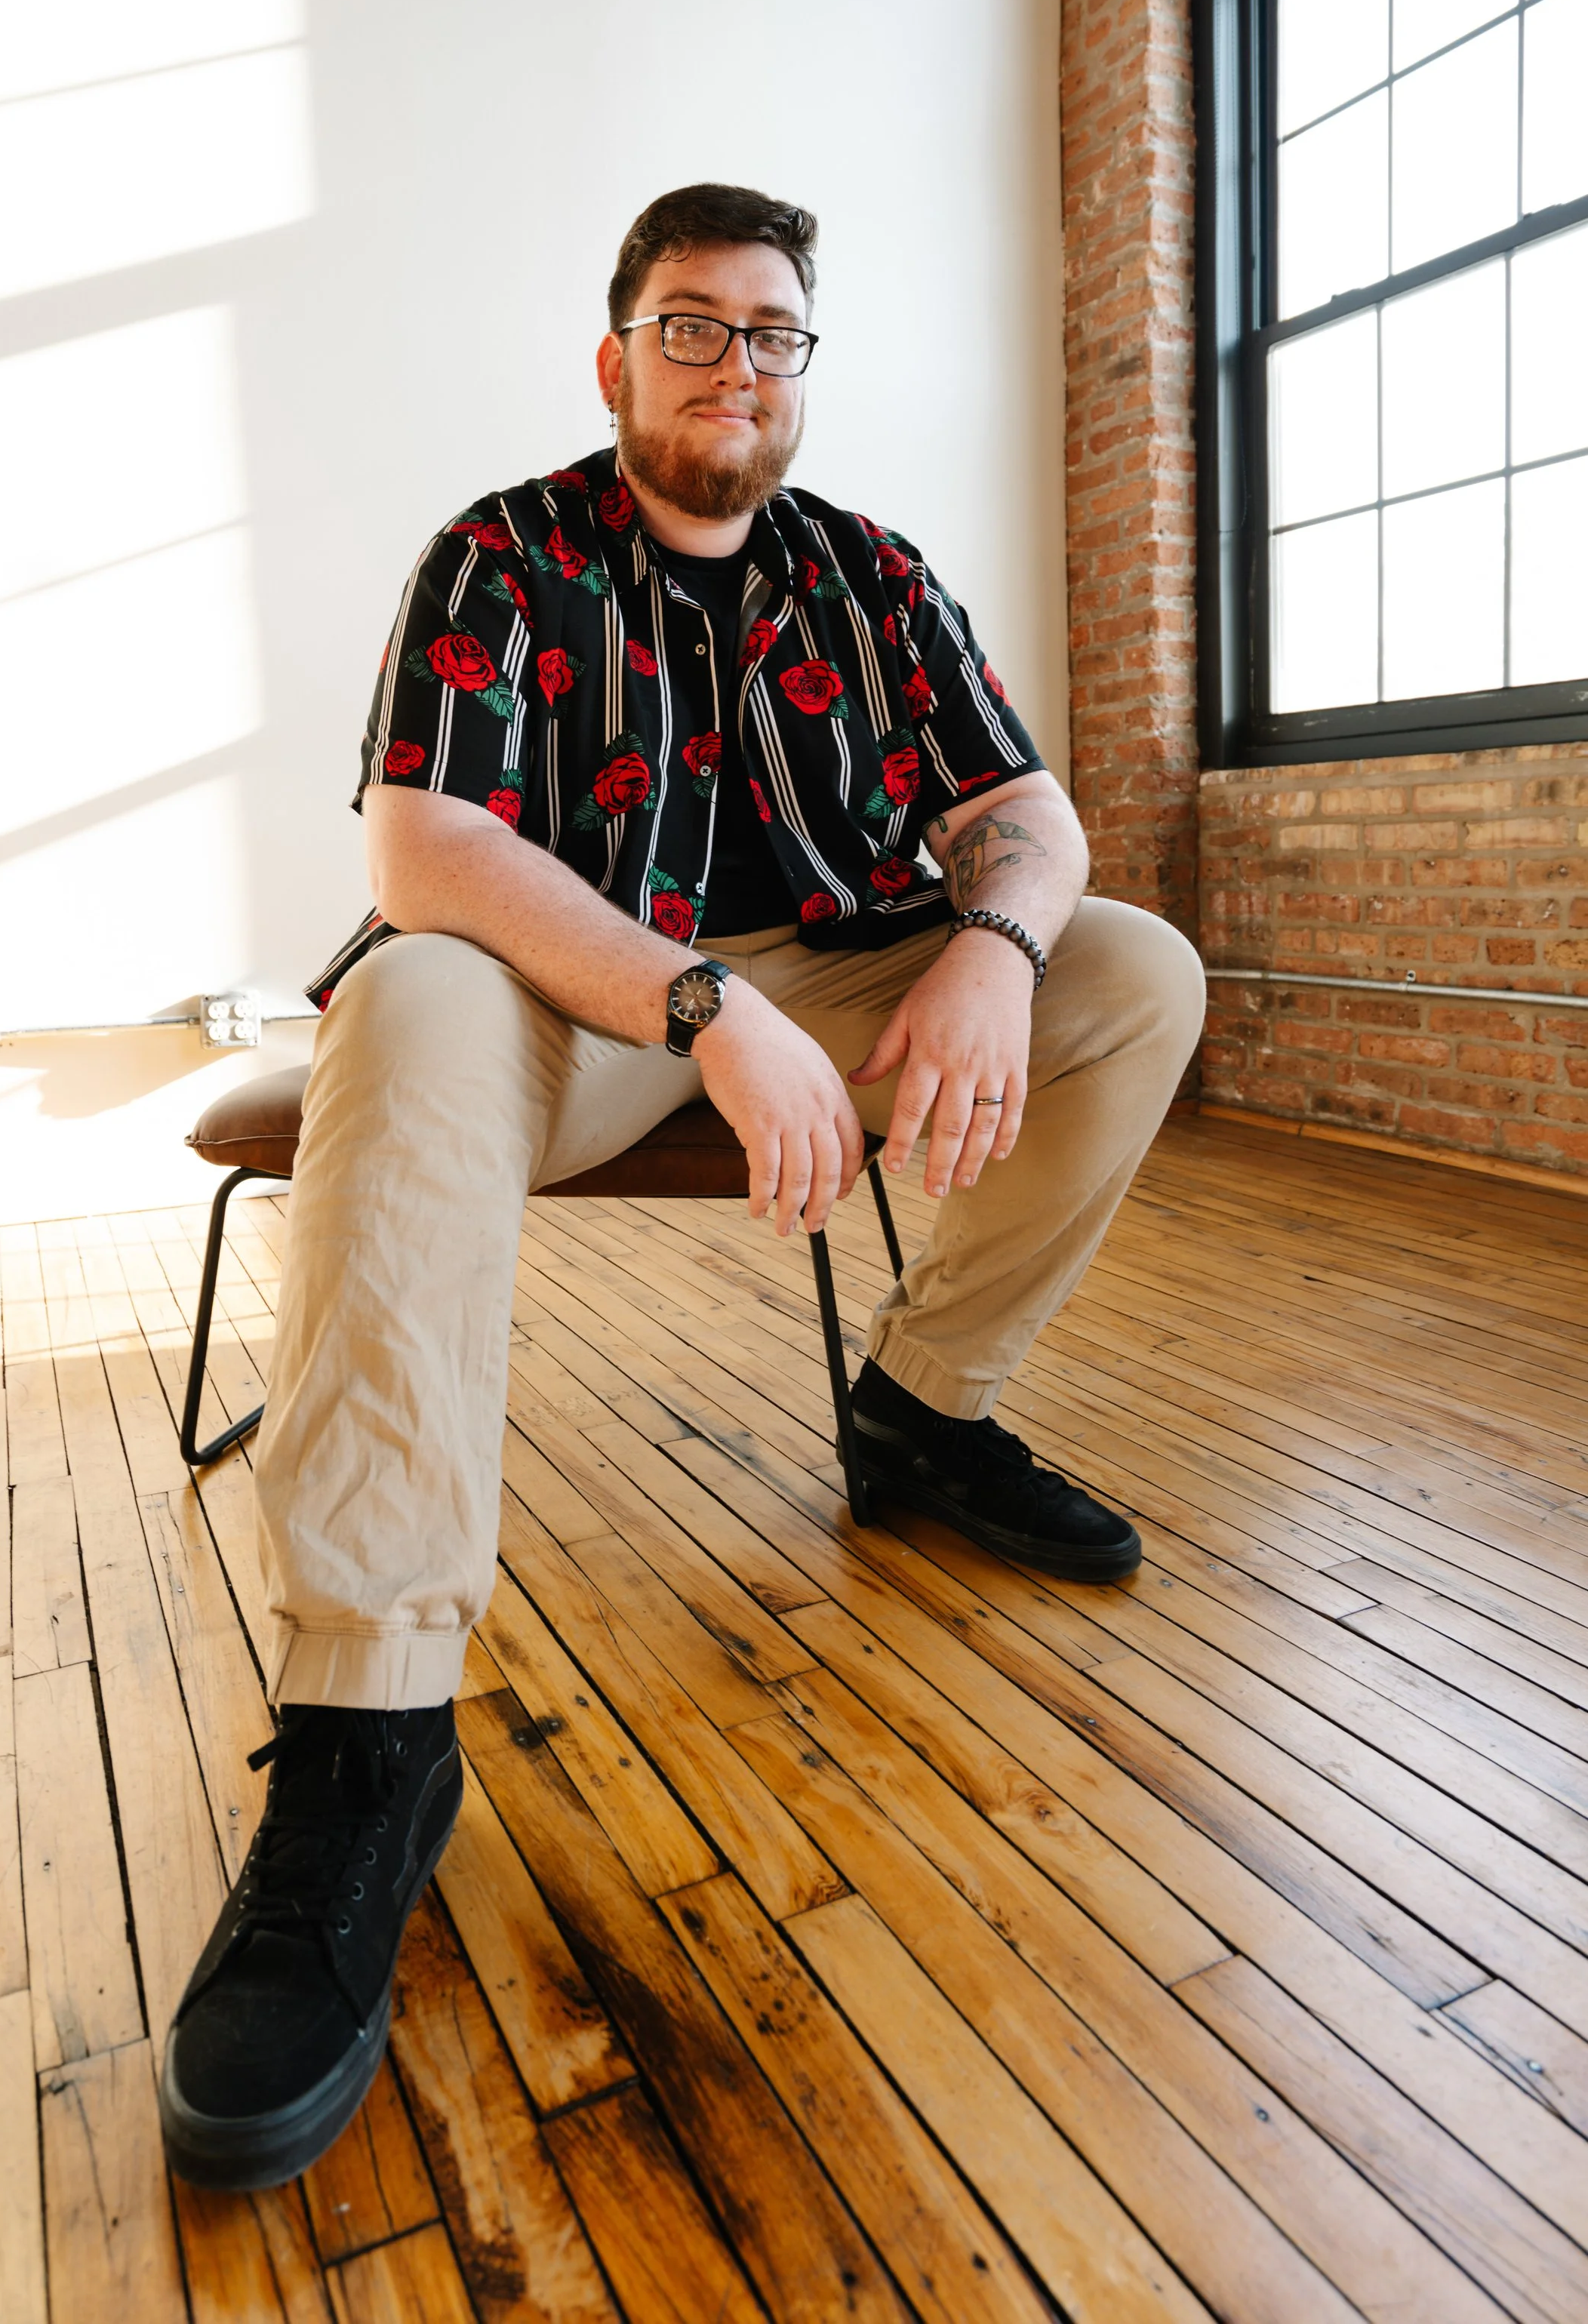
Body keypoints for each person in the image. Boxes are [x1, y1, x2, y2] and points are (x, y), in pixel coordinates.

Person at [158, 183, 1206, 2191]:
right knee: (416, 996)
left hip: (832, 971)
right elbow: (427, 853)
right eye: (690, 323)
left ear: (800, 365)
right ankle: (370, 1731)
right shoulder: (500, 550)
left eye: (770, 332)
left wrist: (988, 948)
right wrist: (705, 1000)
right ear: (615, 353)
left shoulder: (871, 573)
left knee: (1127, 962)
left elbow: (1024, 813)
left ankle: (924, 1411)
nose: (734, 362)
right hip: (575, 999)